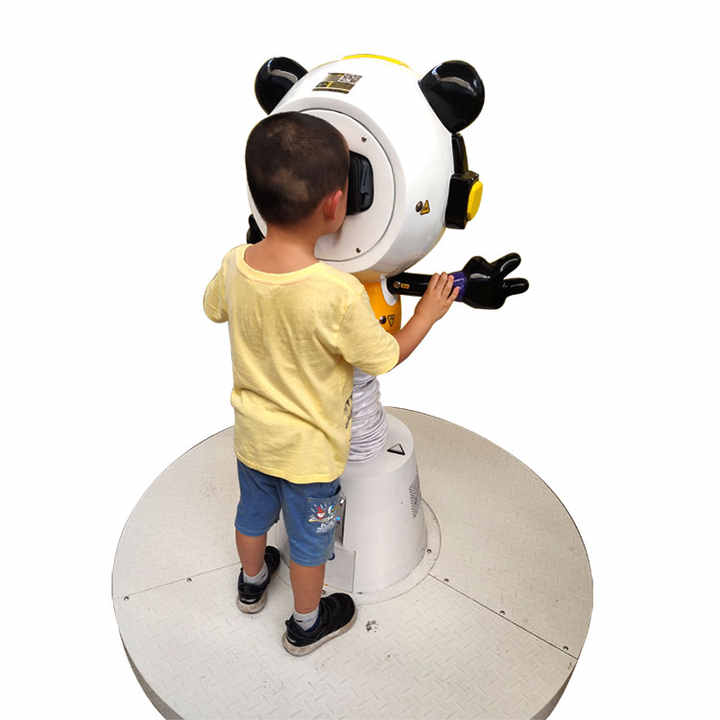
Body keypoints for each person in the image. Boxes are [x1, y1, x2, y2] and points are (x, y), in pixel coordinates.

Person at [203, 111, 459, 656]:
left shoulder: (234, 263)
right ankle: (306, 622)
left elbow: (213, 308)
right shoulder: (336, 293)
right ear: (336, 204)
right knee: (309, 543)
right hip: (312, 458)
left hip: (253, 440)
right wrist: (427, 314)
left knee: (252, 515)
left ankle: (251, 583)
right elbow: (384, 357)